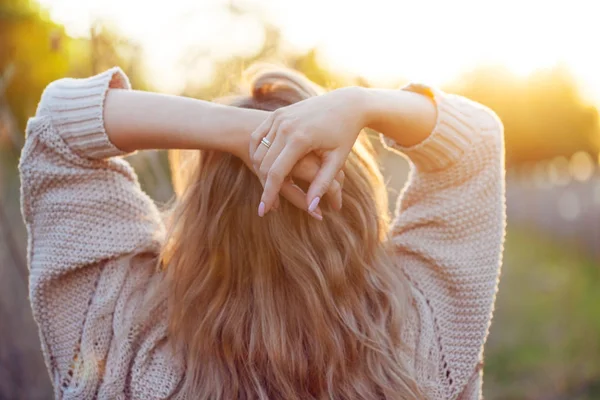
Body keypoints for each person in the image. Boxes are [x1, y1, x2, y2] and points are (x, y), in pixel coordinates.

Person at [20, 64, 505, 400]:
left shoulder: (129, 354)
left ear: (203, 212)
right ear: (351, 197)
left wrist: (234, 134)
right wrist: (361, 106)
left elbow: (60, 127)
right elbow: (476, 143)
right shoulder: (420, 344)